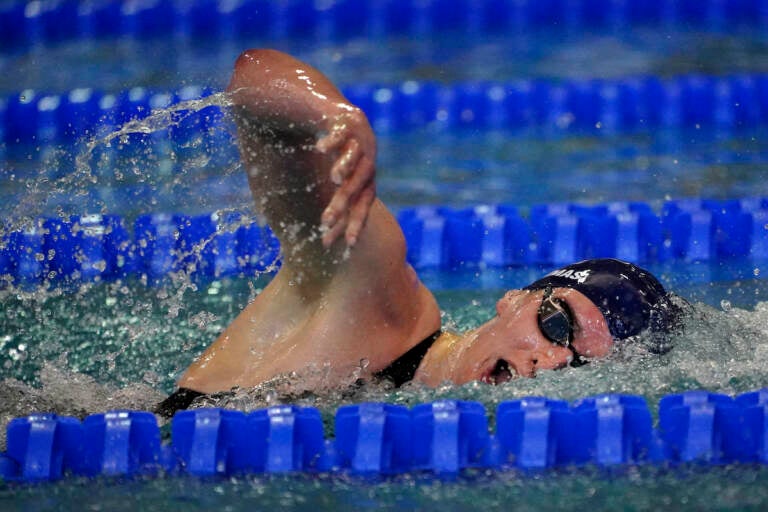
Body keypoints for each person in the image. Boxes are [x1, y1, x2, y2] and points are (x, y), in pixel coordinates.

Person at [155, 49, 682, 418]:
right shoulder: (376, 297)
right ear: (514, 300)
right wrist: (334, 114)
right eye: (557, 325)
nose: (548, 362)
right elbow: (251, 76)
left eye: (579, 365)